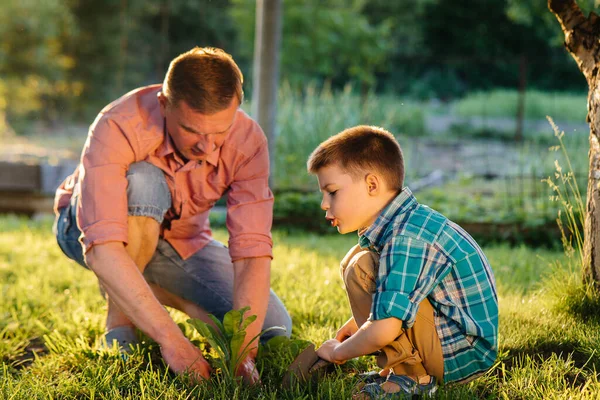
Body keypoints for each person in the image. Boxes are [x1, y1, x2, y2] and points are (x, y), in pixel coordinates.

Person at [53, 47, 292, 384]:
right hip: (87, 230)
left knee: (274, 327)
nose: (207, 148)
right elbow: (102, 248)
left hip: (180, 241)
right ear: (165, 104)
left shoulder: (249, 142)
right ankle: (120, 323)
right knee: (145, 181)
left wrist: (243, 350)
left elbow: (252, 252)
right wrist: (173, 340)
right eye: (193, 130)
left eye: (218, 133)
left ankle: (141, 291)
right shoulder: (119, 123)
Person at [307, 126, 498, 399]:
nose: (324, 204)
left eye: (333, 192)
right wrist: (357, 325)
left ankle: (411, 377)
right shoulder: (403, 225)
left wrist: (338, 353)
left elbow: (386, 326)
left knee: (361, 269)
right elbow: (403, 291)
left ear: (372, 185)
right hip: (451, 339)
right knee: (357, 261)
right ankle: (401, 369)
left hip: (463, 352)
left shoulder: (406, 238)